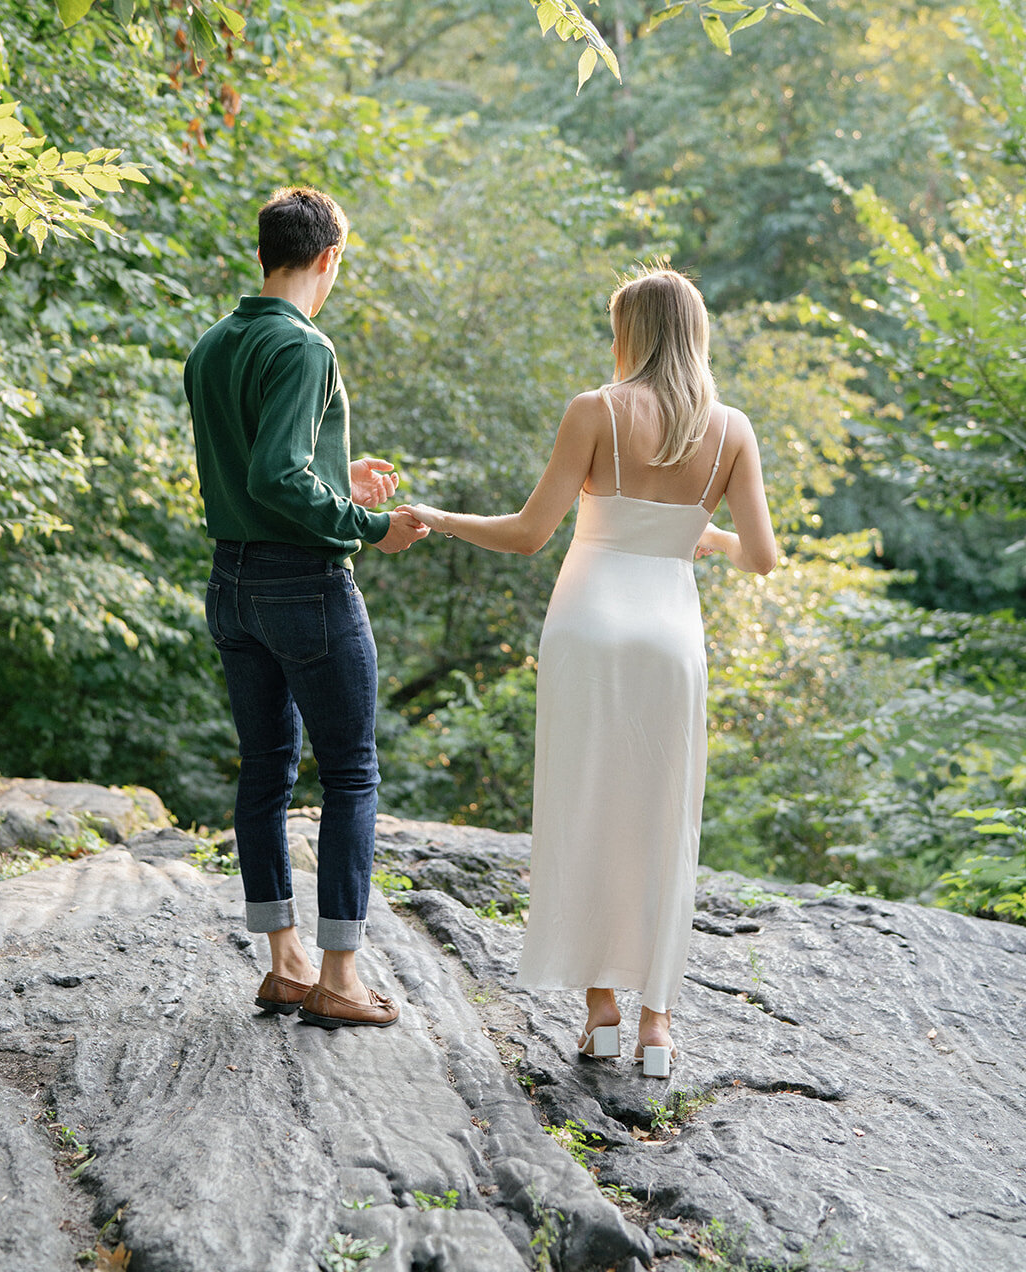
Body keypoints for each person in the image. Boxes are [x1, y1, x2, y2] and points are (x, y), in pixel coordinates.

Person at [403, 266, 776, 1073]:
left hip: (587, 625)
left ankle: (600, 1012)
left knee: (586, 809)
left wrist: (436, 516)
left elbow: (531, 532)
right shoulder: (732, 429)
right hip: (669, 636)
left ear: (631, 334)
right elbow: (764, 558)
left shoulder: (595, 411)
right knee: (664, 819)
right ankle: (658, 1030)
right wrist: (698, 535)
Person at [184, 185, 428, 1031]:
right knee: (351, 773)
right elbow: (274, 478)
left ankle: (285, 964)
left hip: (232, 585)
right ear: (328, 257)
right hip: (305, 588)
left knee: (264, 772)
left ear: (265, 252)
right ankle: (340, 979)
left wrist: (336, 479)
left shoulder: (212, 346)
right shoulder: (305, 346)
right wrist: (368, 522)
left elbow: (255, 472)